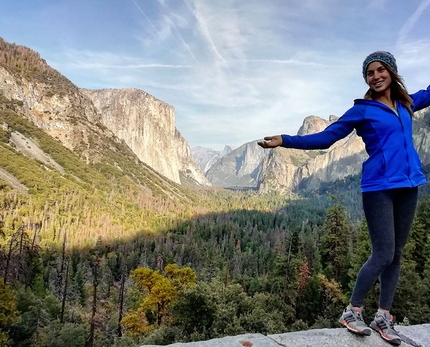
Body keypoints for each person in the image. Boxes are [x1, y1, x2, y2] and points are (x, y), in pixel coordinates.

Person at [257, 51, 430, 346]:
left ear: (391, 71)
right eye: (369, 73)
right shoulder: (363, 110)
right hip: (378, 187)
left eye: (379, 70)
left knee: (397, 254)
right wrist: (285, 139)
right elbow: (326, 138)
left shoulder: (406, 103)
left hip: (409, 185)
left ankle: (384, 317)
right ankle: (352, 311)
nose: (375, 76)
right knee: (383, 254)